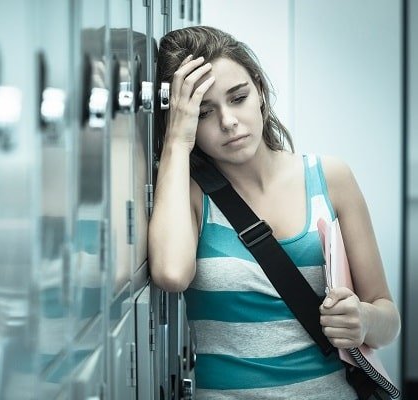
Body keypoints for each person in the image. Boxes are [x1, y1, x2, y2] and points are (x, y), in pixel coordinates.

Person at [148, 26, 400, 399]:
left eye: (238, 97)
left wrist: (362, 321)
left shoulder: (330, 178)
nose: (229, 122)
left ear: (260, 93)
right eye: (204, 112)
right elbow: (170, 274)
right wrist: (177, 141)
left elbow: (388, 319)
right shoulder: (190, 196)